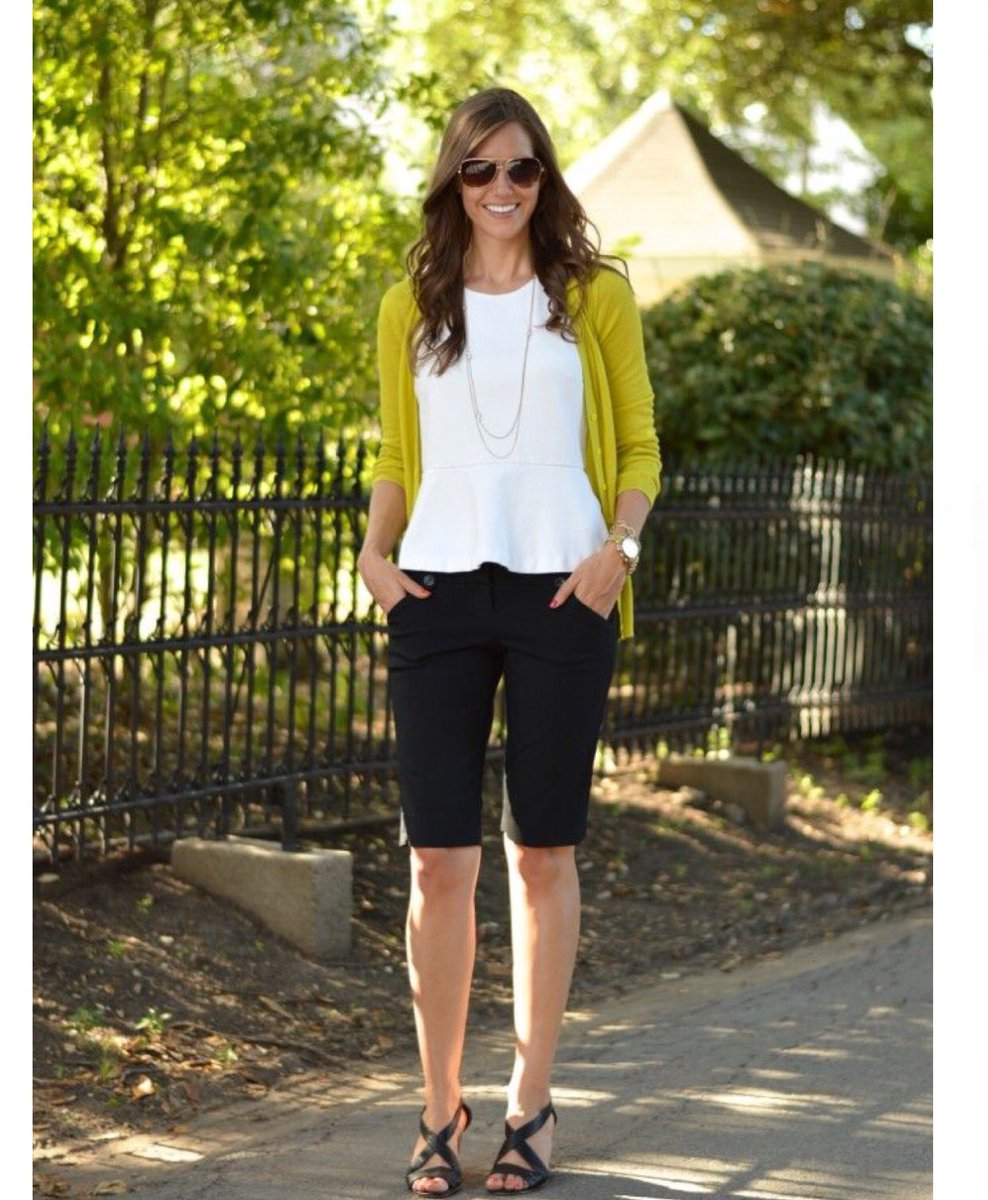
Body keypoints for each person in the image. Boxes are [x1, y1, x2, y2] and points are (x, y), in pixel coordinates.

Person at [357, 86, 661, 1196]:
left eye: (520, 168)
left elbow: (641, 445)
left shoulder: (593, 296)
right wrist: (373, 554)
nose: (500, 188)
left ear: (545, 178)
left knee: (541, 854)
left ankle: (531, 1106)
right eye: (479, 170)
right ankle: (440, 1105)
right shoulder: (411, 303)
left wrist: (616, 554)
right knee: (438, 860)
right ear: (453, 181)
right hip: (435, 593)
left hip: (561, 595)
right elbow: (398, 452)